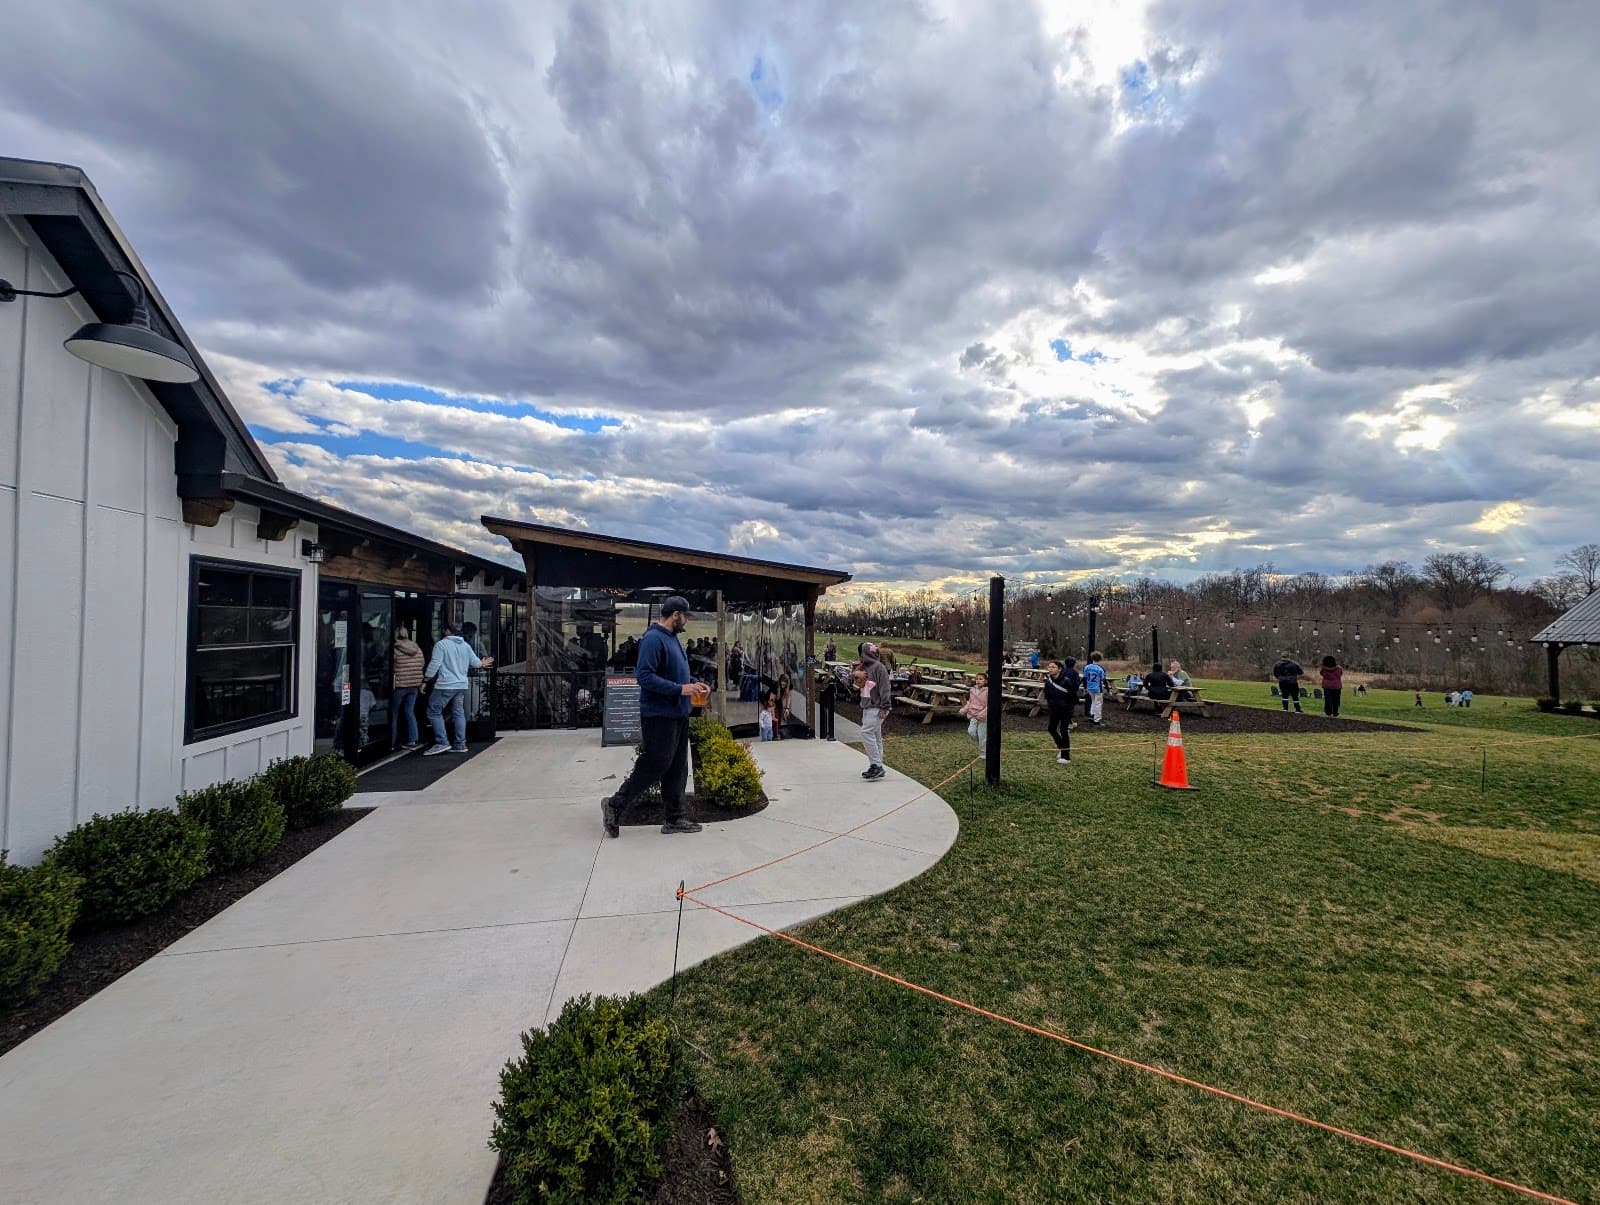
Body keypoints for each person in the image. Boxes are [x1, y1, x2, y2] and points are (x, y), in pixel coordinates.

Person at [601, 596, 710, 838]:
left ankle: (674, 818)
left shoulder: (672, 640)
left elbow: (674, 676)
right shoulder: (653, 639)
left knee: (678, 768)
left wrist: (694, 685)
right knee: (656, 762)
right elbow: (645, 677)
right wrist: (682, 689)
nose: (687, 622)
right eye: (686, 616)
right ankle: (615, 804)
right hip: (658, 715)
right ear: (675, 615)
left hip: (678, 714)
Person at [422, 622, 493, 755]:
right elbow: (476, 663)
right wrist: (483, 663)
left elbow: (435, 664)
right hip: (461, 685)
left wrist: (426, 679)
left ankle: (442, 742)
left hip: (445, 684)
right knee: (458, 712)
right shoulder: (465, 646)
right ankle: (460, 743)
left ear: (447, 631)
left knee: (433, 711)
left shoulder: (441, 645)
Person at [858, 643, 893, 781]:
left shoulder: (879, 668)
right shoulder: (863, 667)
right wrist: (855, 672)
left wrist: (885, 707)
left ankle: (877, 765)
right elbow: (853, 681)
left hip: (877, 707)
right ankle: (877, 765)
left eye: (862, 653)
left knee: (866, 732)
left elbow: (885, 688)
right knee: (876, 736)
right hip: (867, 706)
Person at [391, 627, 425, 750]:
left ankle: (392, 741)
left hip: (400, 684)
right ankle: (412, 739)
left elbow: (390, 665)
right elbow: (422, 663)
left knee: (393, 713)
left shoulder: (395, 649)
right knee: (409, 711)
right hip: (414, 684)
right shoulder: (416, 647)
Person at [1044, 658, 1079, 764]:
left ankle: (1066, 756)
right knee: (1051, 729)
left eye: (1053, 667)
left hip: (1066, 709)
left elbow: (1074, 696)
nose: (1050, 669)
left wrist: (1068, 707)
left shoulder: (1066, 680)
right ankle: (1062, 748)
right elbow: (1047, 695)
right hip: (1054, 709)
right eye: (1049, 667)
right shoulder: (1048, 681)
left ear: (1059, 669)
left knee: (1064, 731)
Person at [960, 672, 990, 756]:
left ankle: (983, 752)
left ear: (986, 681)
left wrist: (981, 714)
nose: (978, 681)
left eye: (980, 679)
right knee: (971, 732)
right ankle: (985, 745)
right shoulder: (972, 690)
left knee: (982, 735)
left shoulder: (988, 691)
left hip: (983, 717)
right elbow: (970, 702)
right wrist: (964, 709)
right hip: (973, 715)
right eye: (977, 679)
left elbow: (989, 705)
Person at [1082, 651, 1107, 725]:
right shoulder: (1100, 669)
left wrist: (1085, 687)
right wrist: (1108, 688)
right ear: (1100, 659)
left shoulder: (1087, 667)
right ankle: (1097, 720)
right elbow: (1103, 679)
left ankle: (1092, 715)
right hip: (1097, 688)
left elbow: (1084, 678)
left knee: (1093, 701)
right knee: (1098, 703)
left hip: (1089, 687)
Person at [773, 672, 793, 739]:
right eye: (782, 681)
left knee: (779, 716)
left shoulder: (789, 686)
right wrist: (771, 709)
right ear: (780, 681)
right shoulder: (775, 685)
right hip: (771, 700)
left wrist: (787, 708)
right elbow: (771, 699)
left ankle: (777, 732)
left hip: (778, 701)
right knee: (776, 716)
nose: (783, 683)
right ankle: (775, 734)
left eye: (785, 682)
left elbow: (788, 697)